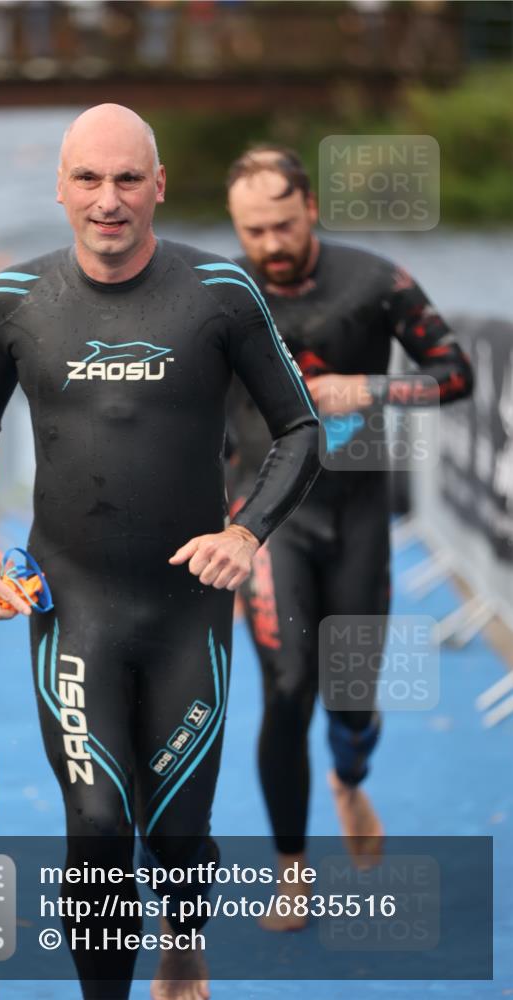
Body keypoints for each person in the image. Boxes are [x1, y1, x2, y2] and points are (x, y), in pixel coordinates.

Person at [0, 107, 320, 999]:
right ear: (62, 186)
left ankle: (183, 936)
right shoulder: (13, 299)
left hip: (187, 610)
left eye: (125, 180)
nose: (106, 201)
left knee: (177, 833)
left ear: (157, 185)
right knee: (100, 827)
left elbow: (300, 428)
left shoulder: (221, 292)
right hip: (73, 605)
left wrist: (244, 531)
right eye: (87, 179)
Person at [226, 146, 473, 930]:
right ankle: (291, 870)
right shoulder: (217, 293)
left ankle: (348, 778)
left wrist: (369, 387)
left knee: (352, 703)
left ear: (312, 211)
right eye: (252, 229)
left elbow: (454, 373)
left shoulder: (374, 281)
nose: (268, 243)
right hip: (268, 519)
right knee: (286, 685)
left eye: (282, 225)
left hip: (358, 508)